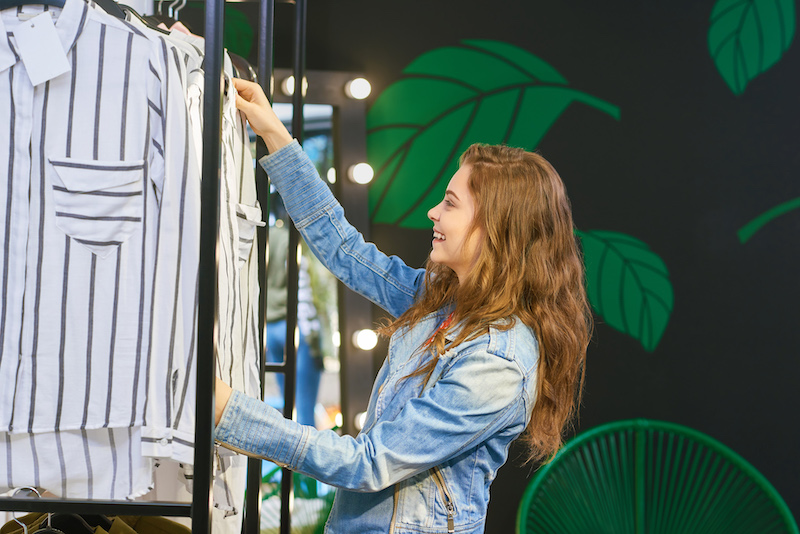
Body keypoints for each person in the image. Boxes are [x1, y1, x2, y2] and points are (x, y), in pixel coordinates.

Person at [214, 78, 592, 533]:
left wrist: (230, 412)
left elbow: (367, 464)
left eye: (450, 204)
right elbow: (344, 250)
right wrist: (275, 134)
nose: (433, 211)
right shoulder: (443, 302)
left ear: (496, 231)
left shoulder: (499, 363)